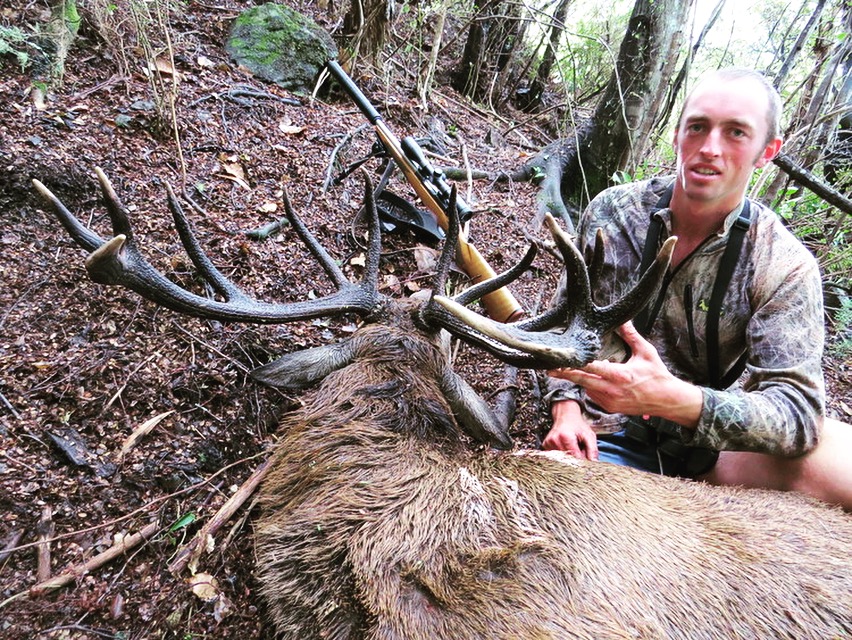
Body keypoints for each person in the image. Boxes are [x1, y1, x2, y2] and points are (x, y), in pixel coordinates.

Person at [543, 68, 852, 510]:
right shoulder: (613, 213)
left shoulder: (783, 263)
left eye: (736, 133)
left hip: (715, 451)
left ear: (767, 152)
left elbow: (798, 413)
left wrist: (679, 401)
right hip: (604, 432)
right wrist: (566, 408)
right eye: (698, 127)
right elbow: (562, 331)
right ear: (677, 135)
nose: (710, 148)